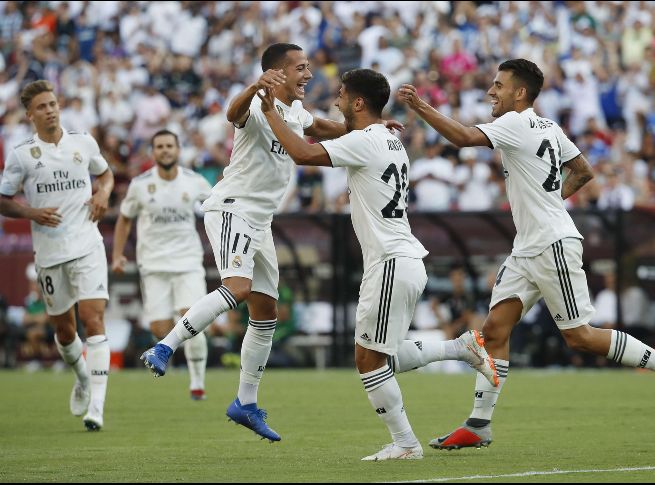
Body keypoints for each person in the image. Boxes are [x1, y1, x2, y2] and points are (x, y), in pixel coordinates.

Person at [397, 58, 655, 450]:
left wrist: (421, 107)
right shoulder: (549, 126)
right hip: (529, 246)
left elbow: (466, 138)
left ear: (519, 93)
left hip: (552, 244)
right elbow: (584, 171)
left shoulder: (516, 122)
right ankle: (477, 425)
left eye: (498, 85)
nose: (491, 91)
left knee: (580, 337)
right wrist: (550, 200)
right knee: (494, 331)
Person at [139, 43, 402, 442]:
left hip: (260, 220)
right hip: (233, 208)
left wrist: (373, 128)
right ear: (276, 73)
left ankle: (245, 403)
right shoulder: (256, 104)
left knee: (265, 313)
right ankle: (164, 346)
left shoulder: (296, 113)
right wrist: (253, 87)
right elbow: (233, 112)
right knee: (239, 288)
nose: (309, 75)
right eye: (301, 68)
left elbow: (329, 129)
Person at [256, 68, 498, 461]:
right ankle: (460, 347)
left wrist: (270, 114)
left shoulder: (366, 140)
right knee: (380, 355)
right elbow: (340, 134)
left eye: (340, 95)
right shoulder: (386, 139)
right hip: (401, 259)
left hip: (390, 260)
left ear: (357, 102)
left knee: (368, 359)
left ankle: (405, 444)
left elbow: (302, 153)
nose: (335, 101)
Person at [0, 80, 114, 431]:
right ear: (30, 114)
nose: (50, 110)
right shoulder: (21, 155)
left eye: (53, 104)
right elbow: (2, 199)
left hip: (87, 244)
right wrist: (31, 213)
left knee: (94, 320)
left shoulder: (83, 142)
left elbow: (105, 174)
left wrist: (103, 194)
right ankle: (81, 376)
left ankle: (96, 405)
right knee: (65, 332)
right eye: (42, 107)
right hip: (50, 252)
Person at [112, 129, 212, 400]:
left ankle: (197, 383)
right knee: (160, 328)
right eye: (160, 146)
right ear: (153, 152)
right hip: (153, 265)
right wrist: (117, 255)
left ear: (178, 150)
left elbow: (216, 206)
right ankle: (176, 357)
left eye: (170, 145)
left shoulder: (194, 181)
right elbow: (124, 218)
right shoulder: (140, 184)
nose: (165, 150)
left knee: (192, 317)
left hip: (188, 261)